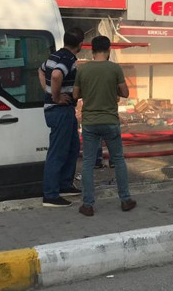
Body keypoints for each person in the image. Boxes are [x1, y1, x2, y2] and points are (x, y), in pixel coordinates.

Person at [73, 36, 136, 216]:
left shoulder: (83, 70)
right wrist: (112, 89)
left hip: (90, 123)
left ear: (92, 51)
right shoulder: (114, 68)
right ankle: (125, 200)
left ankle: (88, 204)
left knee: (87, 163)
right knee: (118, 160)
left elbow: (75, 94)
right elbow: (125, 92)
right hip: (110, 121)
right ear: (108, 51)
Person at [40, 27, 84, 207]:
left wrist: (47, 90)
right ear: (80, 45)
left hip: (62, 111)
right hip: (60, 111)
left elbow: (41, 71)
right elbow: (57, 75)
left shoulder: (55, 55)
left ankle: (66, 184)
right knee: (57, 153)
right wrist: (55, 97)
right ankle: (50, 195)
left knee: (73, 147)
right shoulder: (68, 59)